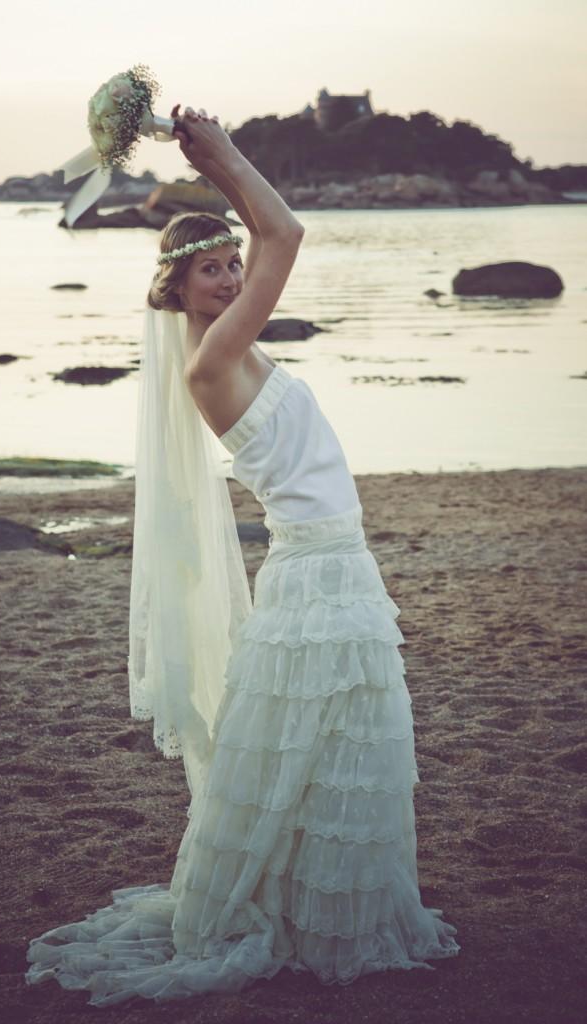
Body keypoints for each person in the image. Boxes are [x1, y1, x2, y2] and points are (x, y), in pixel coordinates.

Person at [24, 105, 460, 1005]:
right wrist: (222, 160)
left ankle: (314, 905)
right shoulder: (213, 359)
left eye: (229, 265)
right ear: (173, 293)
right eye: (207, 271)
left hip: (332, 562)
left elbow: (270, 244)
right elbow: (286, 232)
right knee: (329, 743)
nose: (227, 280)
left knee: (328, 748)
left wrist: (215, 178)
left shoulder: (235, 346)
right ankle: (306, 920)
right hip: (317, 572)